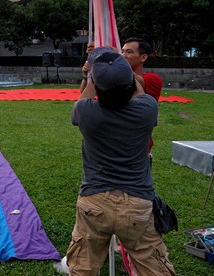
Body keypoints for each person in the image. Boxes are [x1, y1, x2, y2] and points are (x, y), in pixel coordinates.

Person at [67, 48, 175, 276]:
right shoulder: (147, 109)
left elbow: (83, 99)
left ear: (97, 86)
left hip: (93, 202)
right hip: (138, 205)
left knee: (82, 269)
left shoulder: (85, 113)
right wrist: (118, 68)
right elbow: (138, 87)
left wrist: (91, 76)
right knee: (156, 270)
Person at [121, 37, 162, 102]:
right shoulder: (118, 77)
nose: (123, 56)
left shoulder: (153, 78)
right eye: (122, 52)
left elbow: (133, 79)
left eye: (129, 52)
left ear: (143, 57)